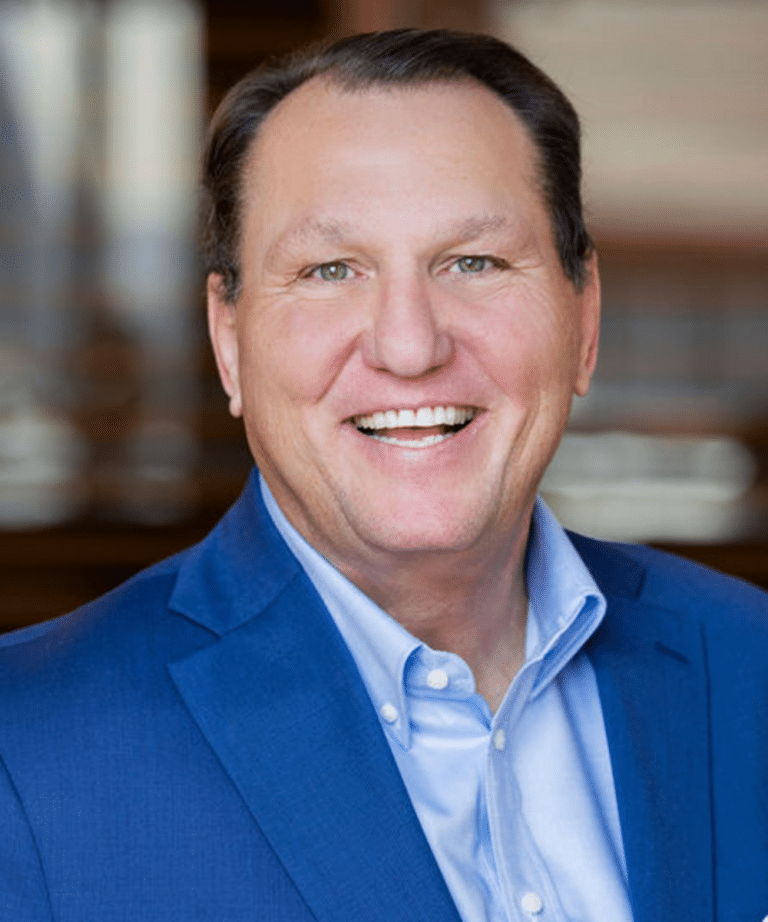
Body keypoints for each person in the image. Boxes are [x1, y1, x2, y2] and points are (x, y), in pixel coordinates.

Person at [1, 28, 766, 922]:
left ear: (583, 316)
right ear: (228, 340)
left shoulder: (752, 664)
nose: (409, 347)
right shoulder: (28, 748)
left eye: (473, 262)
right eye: (330, 270)